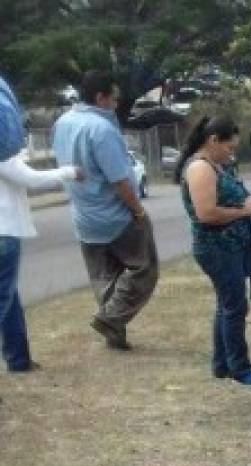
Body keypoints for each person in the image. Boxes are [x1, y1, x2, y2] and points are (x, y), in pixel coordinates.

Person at [51, 70, 158, 351]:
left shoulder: (62, 123)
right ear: (100, 97)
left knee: (106, 278)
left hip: (84, 216)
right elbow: (120, 179)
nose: (116, 104)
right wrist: (138, 211)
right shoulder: (101, 129)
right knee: (143, 269)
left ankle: (115, 333)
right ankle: (110, 319)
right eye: (114, 99)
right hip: (115, 215)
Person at [177, 116, 251, 386]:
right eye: (229, 148)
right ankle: (240, 368)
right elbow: (206, 214)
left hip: (232, 246)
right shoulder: (200, 169)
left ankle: (222, 364)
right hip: (217, 248)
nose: (232, 153)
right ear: (213, 140)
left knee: (227, 305)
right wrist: (245, 210)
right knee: (234, 307)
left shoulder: (216, 166)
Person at [1, 124, 79, 374]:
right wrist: (70, 172)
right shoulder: (3, 151)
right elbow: (31, 179)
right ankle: (18, 359)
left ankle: (19, 360)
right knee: (4, 300)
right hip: (4, 231)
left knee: (10, 298)